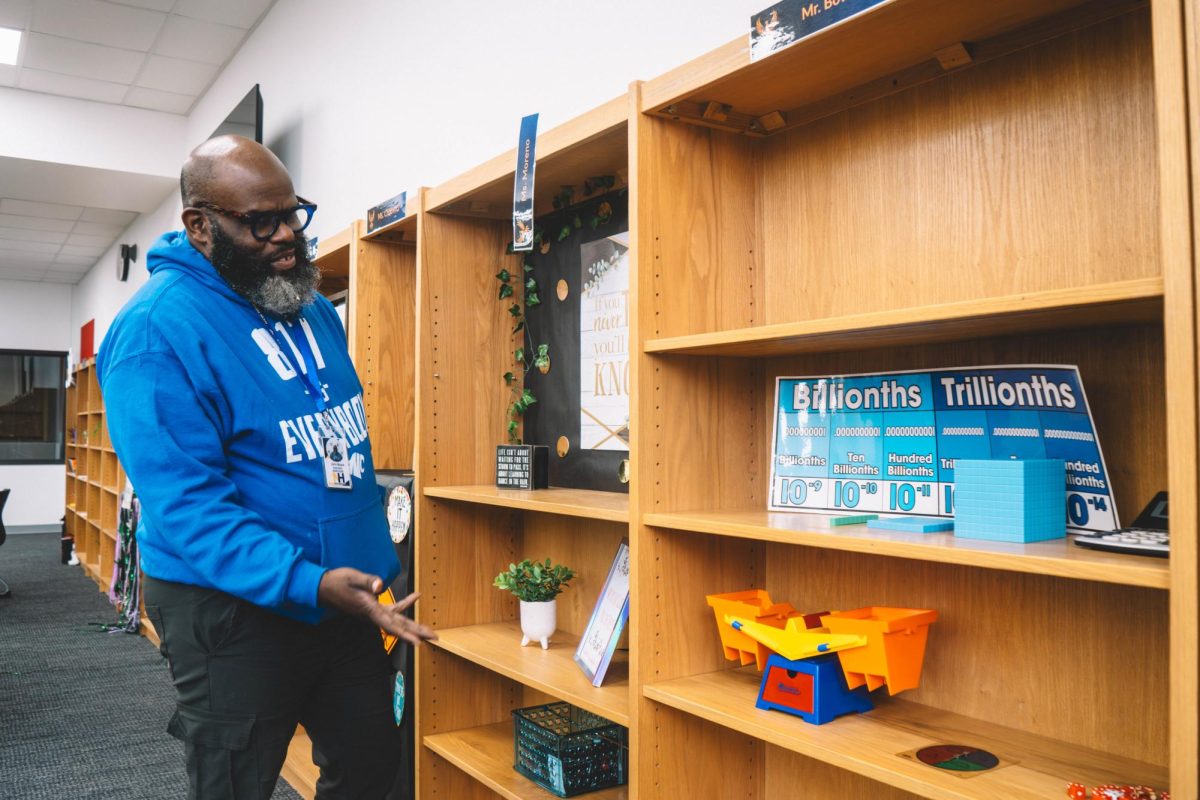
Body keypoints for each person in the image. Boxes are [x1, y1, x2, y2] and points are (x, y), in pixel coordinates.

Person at [98, 135, 435, 800]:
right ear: (200, 226)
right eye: (262, 222)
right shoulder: (154, 333)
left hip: (342, 599)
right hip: (228, 608)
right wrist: (304, 581)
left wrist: (361, 574)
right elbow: (190, 506)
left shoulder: (305, 305)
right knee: (235, 782)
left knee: (372, 764)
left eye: (294, 214)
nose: (288, 236)